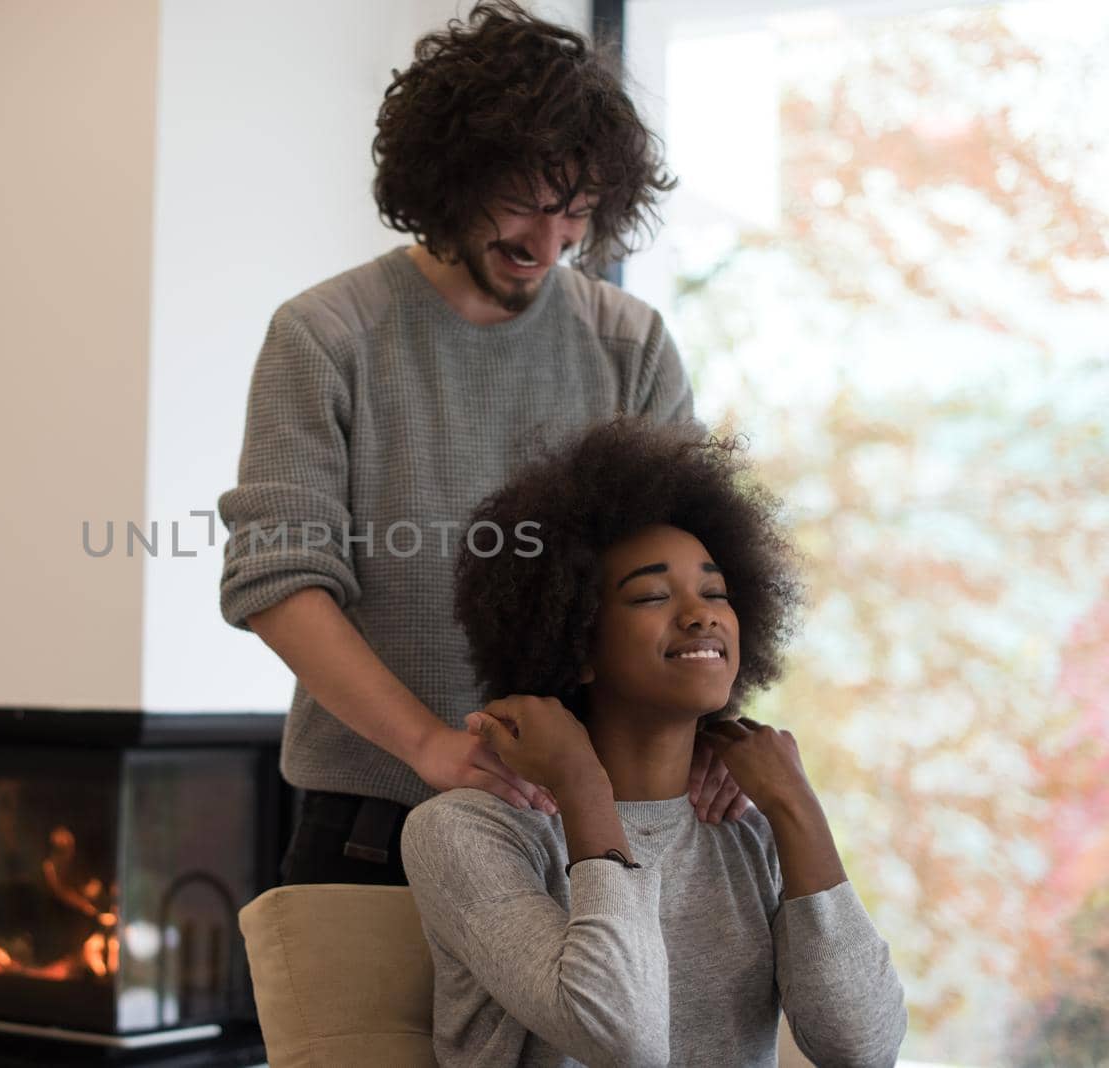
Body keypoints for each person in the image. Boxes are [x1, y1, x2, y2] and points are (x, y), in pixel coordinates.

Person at [218, 0, 748, 886]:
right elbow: (278, 577)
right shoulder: (327, 335)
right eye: (522, 208)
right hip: (371, 829)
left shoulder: (630, 344)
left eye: (575, 214)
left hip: (588, 827)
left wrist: (715, 730)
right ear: (448, 183)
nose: (549, 245)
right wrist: (429, 746)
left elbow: (701, 572)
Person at [400, 417, 909, 1067]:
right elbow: (622, 1037)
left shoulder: (744, 830)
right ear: (576, 640)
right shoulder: (469, 833)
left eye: (716, 592)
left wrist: (795, 809)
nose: (702, 614)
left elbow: (862, 1046)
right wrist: (583, 787)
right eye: (651, 595)